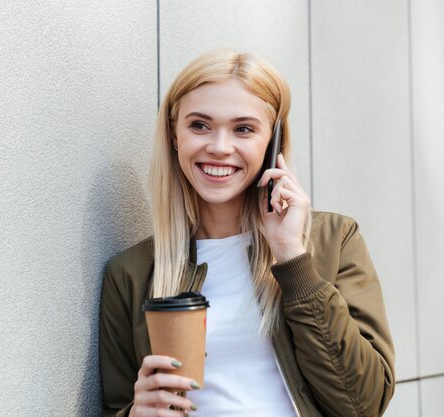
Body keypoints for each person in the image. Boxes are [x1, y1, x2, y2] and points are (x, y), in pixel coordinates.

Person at [99, 49, 395, 417]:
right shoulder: (132, 272)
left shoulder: (333, 240)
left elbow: (363, 404)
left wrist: (291, 256)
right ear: (174, 135)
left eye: (243, 129)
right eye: (199, 125)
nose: (220, 148)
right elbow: (117, 406)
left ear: (272, 142)